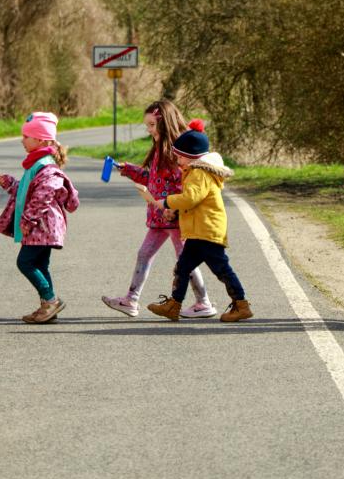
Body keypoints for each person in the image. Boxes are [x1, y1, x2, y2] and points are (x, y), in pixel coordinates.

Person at [101, 100, 214, 318]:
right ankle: (131, 300)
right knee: (144, 254)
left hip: (173, 218)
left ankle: (203, 302)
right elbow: (152, 179)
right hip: (159, 217)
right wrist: (128, 169)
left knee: (185, 260)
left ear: (165, 123)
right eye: (147, 126)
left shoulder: (177, 154)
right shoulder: (159, 150)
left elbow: (184, 185)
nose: (149, 130)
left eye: (152, 125)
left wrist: (174, 208)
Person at [145, 120, 253, 322]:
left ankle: (241, 305)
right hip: (199, 230)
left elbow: (191, 198)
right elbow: (195, 203)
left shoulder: (198, 173)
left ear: (191, 156)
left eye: (179, 156)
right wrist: (176, 212)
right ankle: (174, 305)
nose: (177, 160)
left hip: (206, 231)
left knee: (221, 269)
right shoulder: (195, 172)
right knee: (183, 267)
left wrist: (167, 202)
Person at [0, 112, 80, 324]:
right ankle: (48, 306)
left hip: (43, 227)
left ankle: (51, 300)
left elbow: (42, 196)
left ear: (40, 140)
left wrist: (28, 220)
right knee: (40, 264)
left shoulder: (46, 166)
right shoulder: (35, 164)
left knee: (25, 262)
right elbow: (27, 191)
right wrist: (8, 183)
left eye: (26, 137)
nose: (22, 140)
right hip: (40, 227)